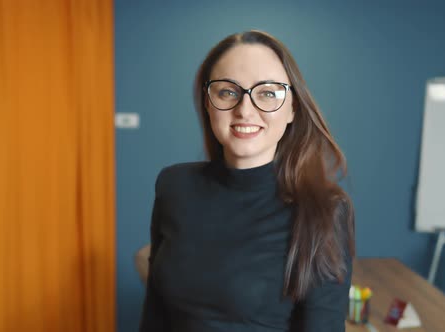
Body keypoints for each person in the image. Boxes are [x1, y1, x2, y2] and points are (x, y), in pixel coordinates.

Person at [139, 30, 355, 332]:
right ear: (207, 102)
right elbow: (155, 311)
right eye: (228, 91)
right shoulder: (174, 185)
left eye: (268, 92)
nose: (245, 109)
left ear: (293, 107)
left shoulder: (324, 209)